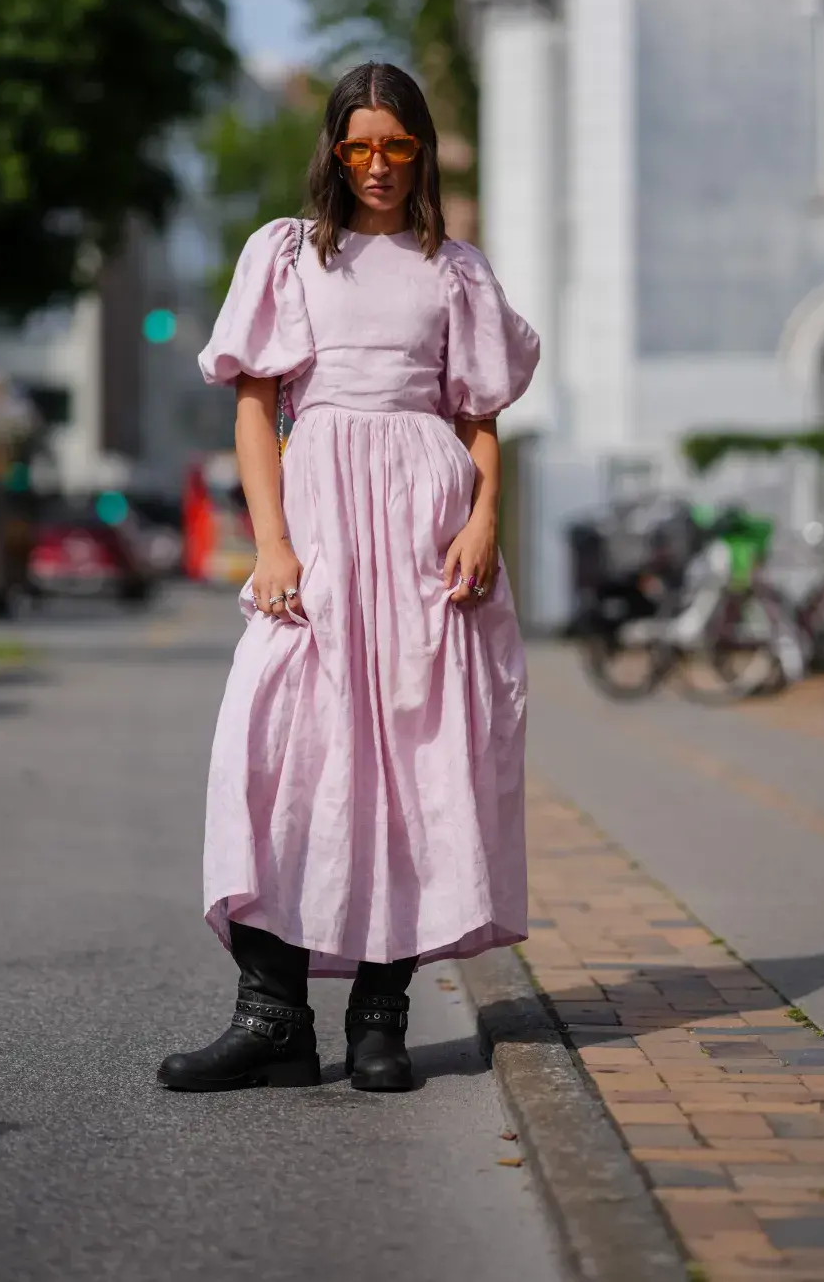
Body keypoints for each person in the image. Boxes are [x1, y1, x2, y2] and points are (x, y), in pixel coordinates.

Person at [159, 61, 540, 1095]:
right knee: (277, 748)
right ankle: (274, 1018)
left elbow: (478, 417)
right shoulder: (286, 254)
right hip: (319, 516)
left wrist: (484, 522)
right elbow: (253, 405)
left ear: (421, 150)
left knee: (411, 764)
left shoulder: (453, 268)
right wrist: (269, 544)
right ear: (333, 149)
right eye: (359, 145)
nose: (377, 165)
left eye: (398, 146)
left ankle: (381, 1021)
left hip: (426, 522)